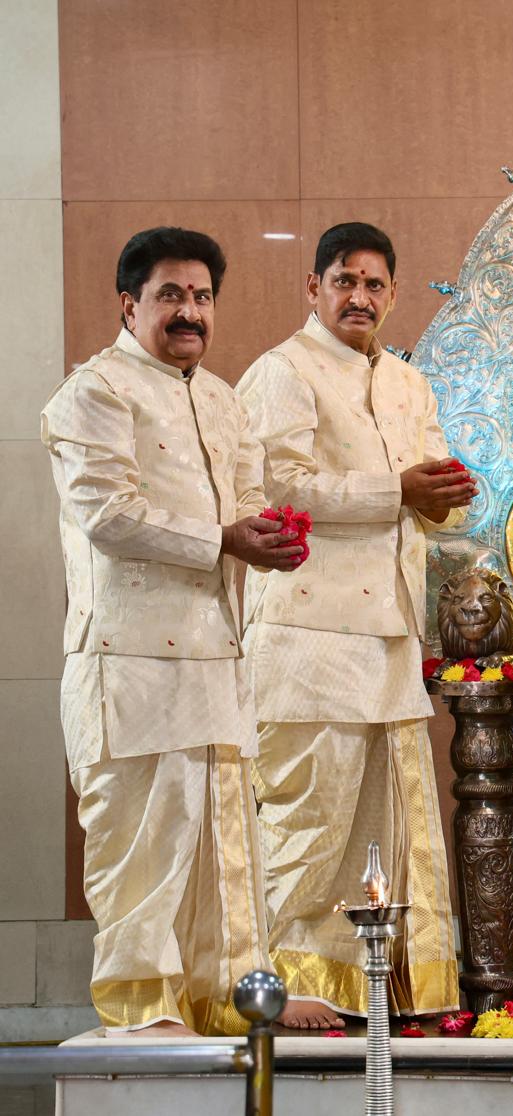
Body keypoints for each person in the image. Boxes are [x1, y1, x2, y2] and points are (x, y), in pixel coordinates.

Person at [41, 227, 303, 1035]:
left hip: (217, 655)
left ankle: (235, 996)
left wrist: (272, 536)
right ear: (130, 305)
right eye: (170, 296)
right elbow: (108, 515)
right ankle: (144, 1004)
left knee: (226, 842)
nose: (190, 312)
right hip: (127, 663)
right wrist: (224, 539)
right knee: (143, 846)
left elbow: (247, 501)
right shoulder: (94, 393)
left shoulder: (223, 399)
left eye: (202, 297)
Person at [238, 222, 474, 1029]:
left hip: (390, 635)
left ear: (394, 295)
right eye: (345, 281)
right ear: (314, 288)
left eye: (375, 285)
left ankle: (381, 984)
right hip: (309, 636)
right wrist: (398, 490)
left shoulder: (408, 383)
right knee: (309, 815)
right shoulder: (282, 372)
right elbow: (277, 487)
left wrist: (444, 496)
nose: (360, 297)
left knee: (386, 822)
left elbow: (430, 496)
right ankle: (277, 981)